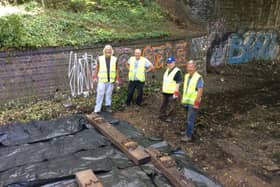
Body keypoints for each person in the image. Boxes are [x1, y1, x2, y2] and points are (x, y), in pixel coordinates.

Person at [181, 60, 204, 142]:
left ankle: (188, 136)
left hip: (193, 102)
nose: (189, 68)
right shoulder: (186, 76)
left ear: (194, 68)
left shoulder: (198, 77)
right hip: (187, 101)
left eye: (191, 67)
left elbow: (200, 90)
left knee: (190, 120)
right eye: (188, 67)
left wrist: (196, 103)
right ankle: (187, 132)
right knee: (187, 118)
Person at [93, 45, 119, 113]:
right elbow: (97, 68)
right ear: (104, 50)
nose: (108, 50)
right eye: (107, 49)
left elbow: (116, 69)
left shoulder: (115, 59)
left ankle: (108, 107)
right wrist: (95, 77)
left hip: (111, 80)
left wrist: (117, 79)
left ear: (111, 50)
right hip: (102, 79)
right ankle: (97, 109)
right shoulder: (100, 58)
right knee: (100, 94)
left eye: (109, 49)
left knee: (109, 94)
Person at [159, 56, 182, 122]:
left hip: (172, 92)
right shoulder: (167, 70)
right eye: (168, 63)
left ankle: (170, 117)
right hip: (165, 91)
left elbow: (179, 82)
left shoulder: (177, 71)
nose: (169, 64)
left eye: (171, 63)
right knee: (164, 104)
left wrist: (176, 92)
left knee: (172, 106)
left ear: (174, 62)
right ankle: (162, 115)